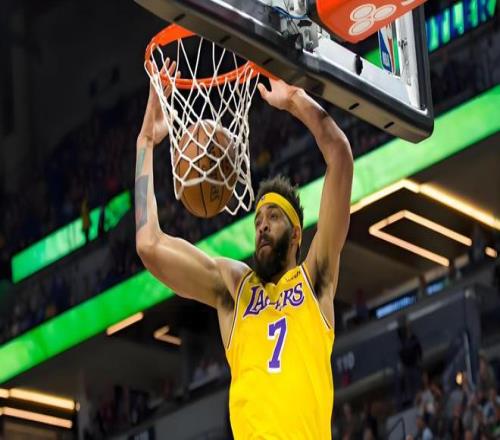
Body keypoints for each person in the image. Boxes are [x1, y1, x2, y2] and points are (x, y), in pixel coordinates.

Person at [135, 60, 353, 439]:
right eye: (258, 221)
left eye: (273, 218)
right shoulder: (235, 288)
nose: (262, 226)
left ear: (296, 234)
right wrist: (146, 142)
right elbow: (148, 245)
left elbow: (340, 155)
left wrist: (296, 99)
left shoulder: (316, 278)